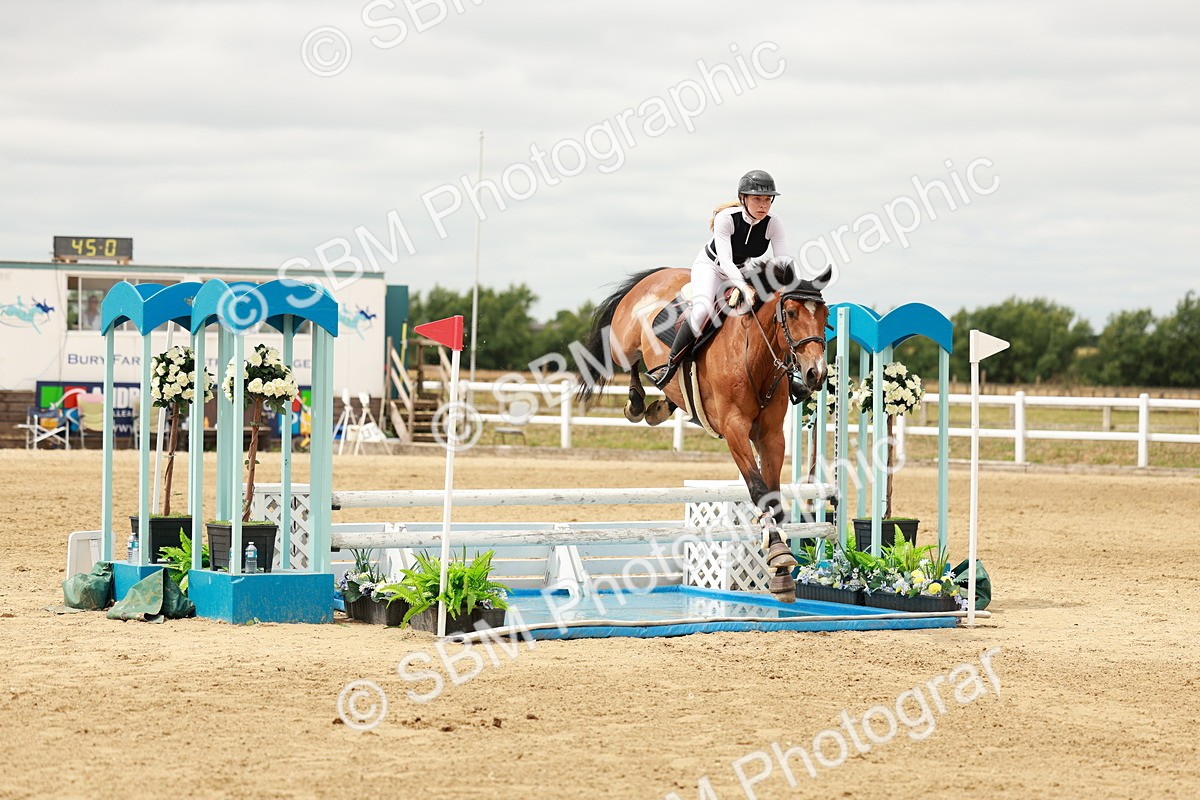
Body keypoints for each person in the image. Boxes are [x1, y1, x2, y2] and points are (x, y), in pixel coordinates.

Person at [650, 169, 791, 388]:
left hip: (744, 269)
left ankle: (790, 377)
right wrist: (743, 287)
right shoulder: (726, 218)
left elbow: (782, 262)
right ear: (743, 199)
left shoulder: (774, 223)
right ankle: (670, 366)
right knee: (702, 309)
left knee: (773, 312)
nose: (763, 205)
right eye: (757, 199)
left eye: (767, 199)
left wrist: (793, 288)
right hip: (712, 267)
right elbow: (725, 261)